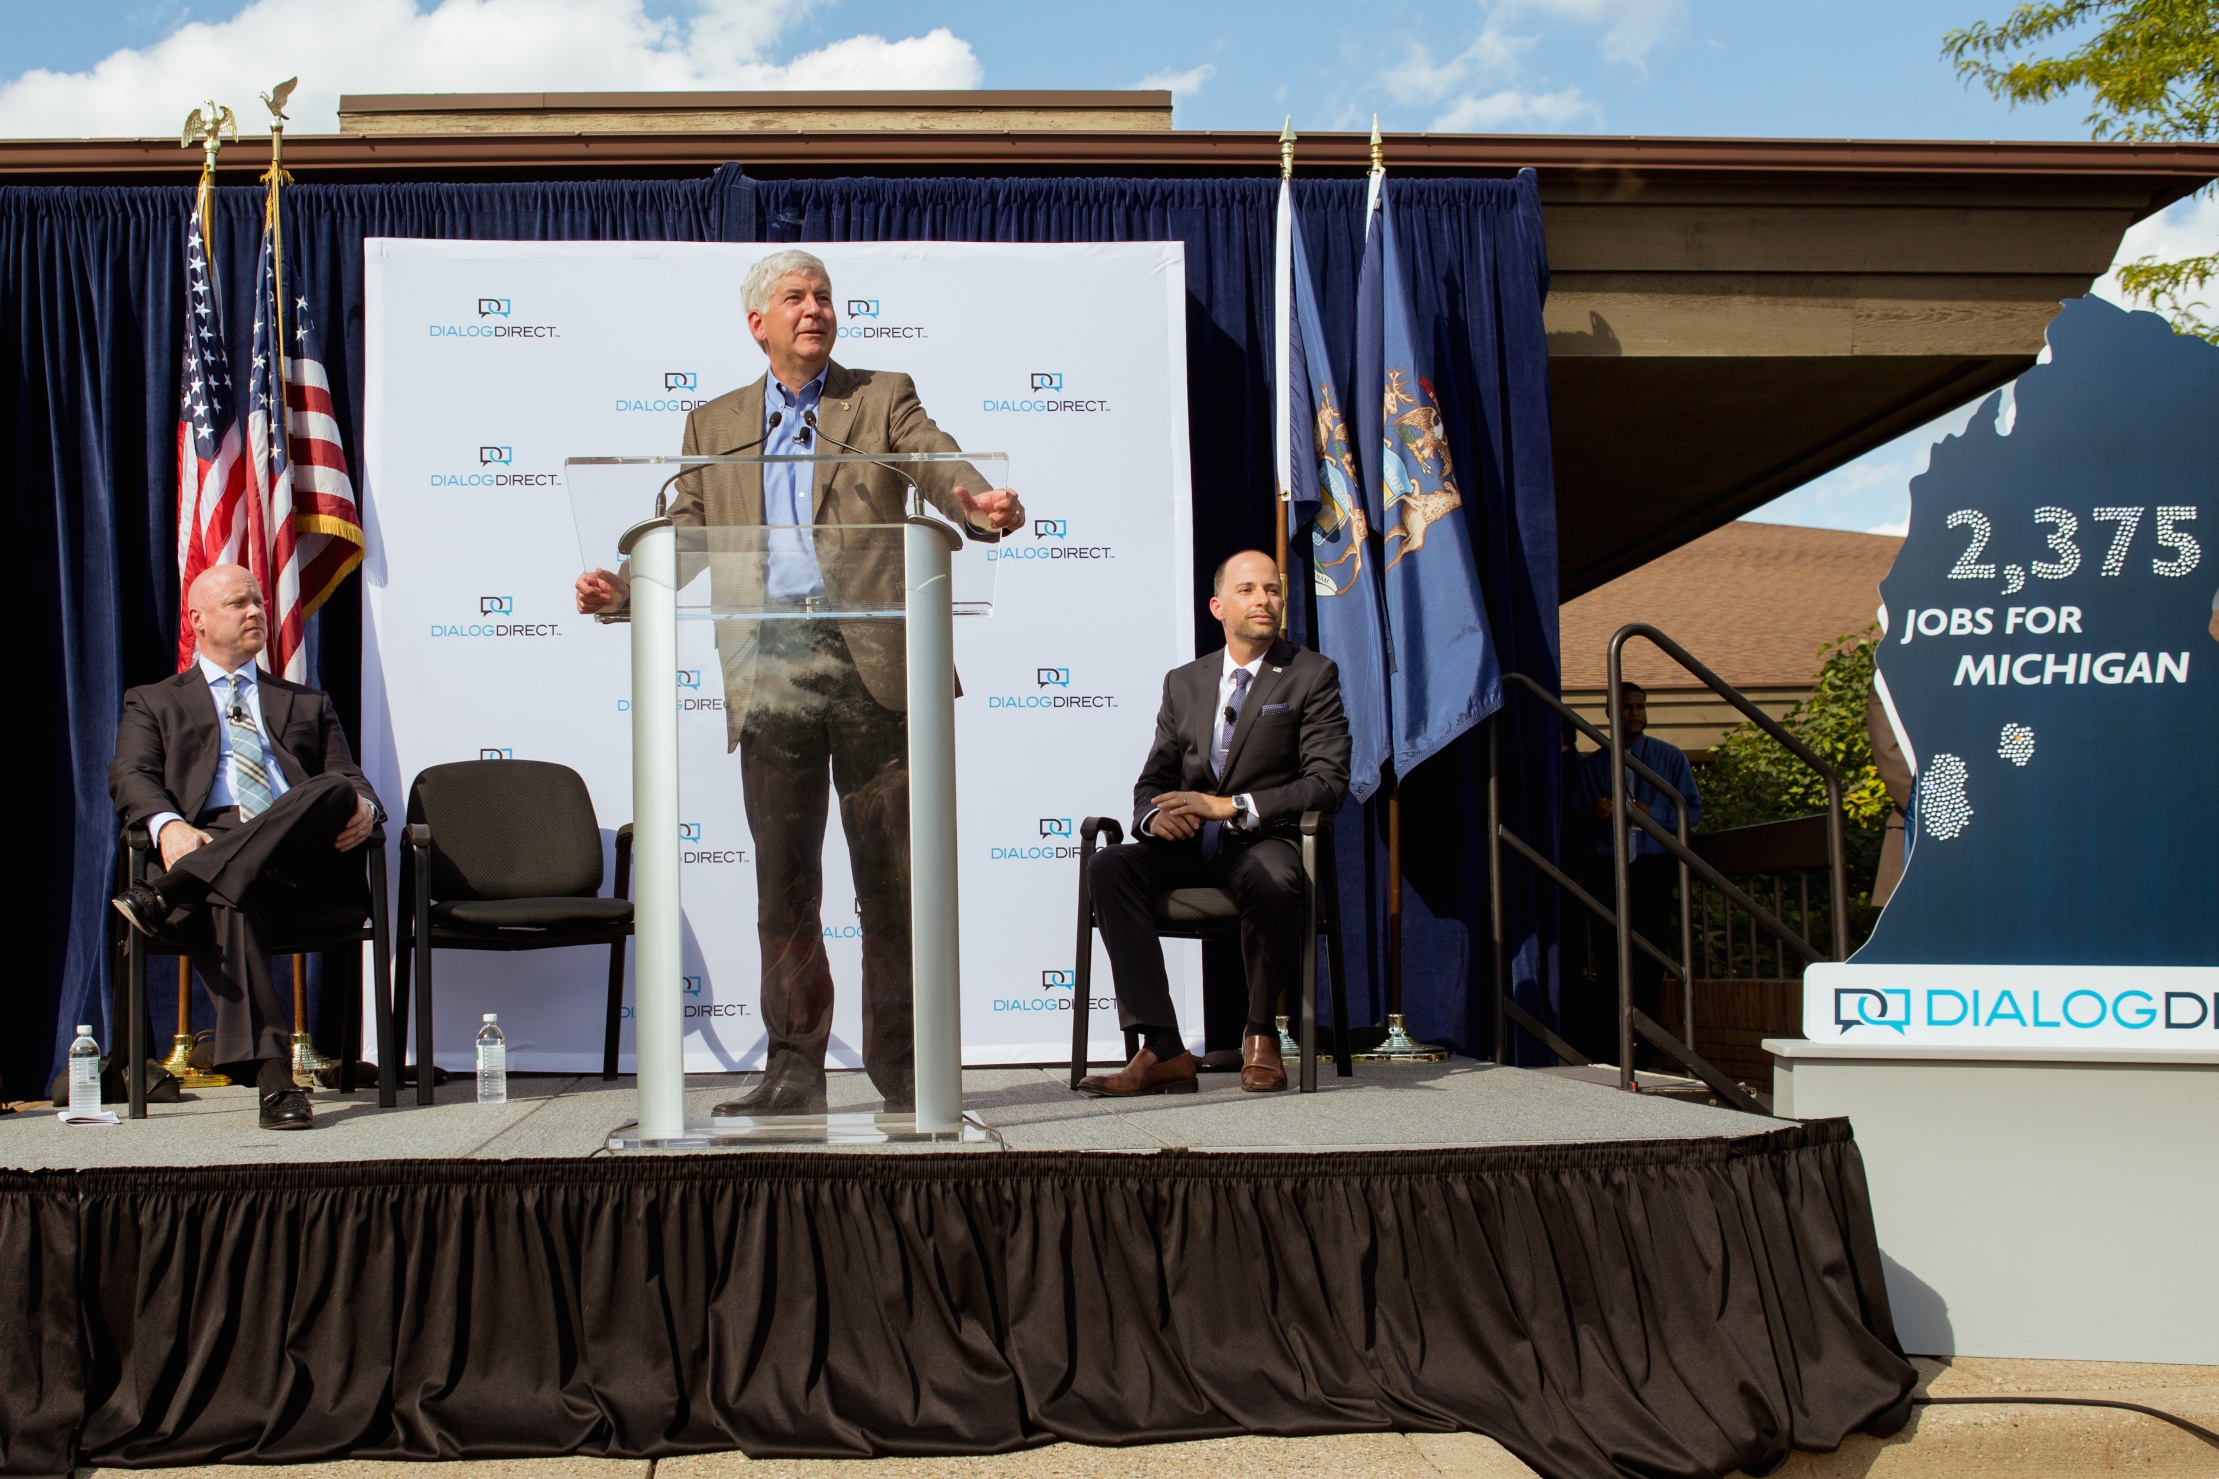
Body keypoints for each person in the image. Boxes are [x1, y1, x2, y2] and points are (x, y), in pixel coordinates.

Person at [576, 249, 1023, 1116]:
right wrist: (633, 589)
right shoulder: (714, 424)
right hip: (769, 667)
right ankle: (793, 1069)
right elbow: (690, 530)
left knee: (890, 882)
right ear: (758, 324)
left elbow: (933, 458)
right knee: (783, 886)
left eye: (822, 296)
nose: (813, 308)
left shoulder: (881, 395)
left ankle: (907, 1071)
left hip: (874, 666)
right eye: (794, 297)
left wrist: (972, 499)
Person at [109, 565, 381, 1130]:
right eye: (238, 603)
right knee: (227, 895)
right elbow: (132, 775)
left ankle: (171, 890)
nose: (256, 611)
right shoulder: (154, 700)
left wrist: (365, 807)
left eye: (258, 602)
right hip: (214, 843)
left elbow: (350, 779)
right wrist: (166, 825)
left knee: (328, 788)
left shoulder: (305, 700)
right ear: (198, 621)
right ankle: (277, 1086)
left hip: (306, 860)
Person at [1076, 550, 1352, 1097]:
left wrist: (1232, 806)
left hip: (1265, 840)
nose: (1263, 600)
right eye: (1248, 590)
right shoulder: (1185, 682)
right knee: (1109, 868)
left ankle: (1259, 1034)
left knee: (1273, 878)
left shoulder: (1310, 674)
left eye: (1272, 590)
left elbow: (1327, 783)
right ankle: (1162, 1048)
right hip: (1189, 847)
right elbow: (1152, 781)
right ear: (1218, 606)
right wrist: (1155, 818)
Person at [1569, 683, 1700, 1065]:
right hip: (1606, 869)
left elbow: (1690, 810)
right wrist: (1595, 815)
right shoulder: (1592, 766)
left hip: (1652, 869)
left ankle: (1650, 1044)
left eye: (1640, 706)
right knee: (1610, 959)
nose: (1635, 714)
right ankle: (1613, 1046)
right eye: (1626, 708)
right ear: (1610, 712)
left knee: (1652, 957)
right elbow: (1571, 817)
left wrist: (1649, 814)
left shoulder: (1669, 758)